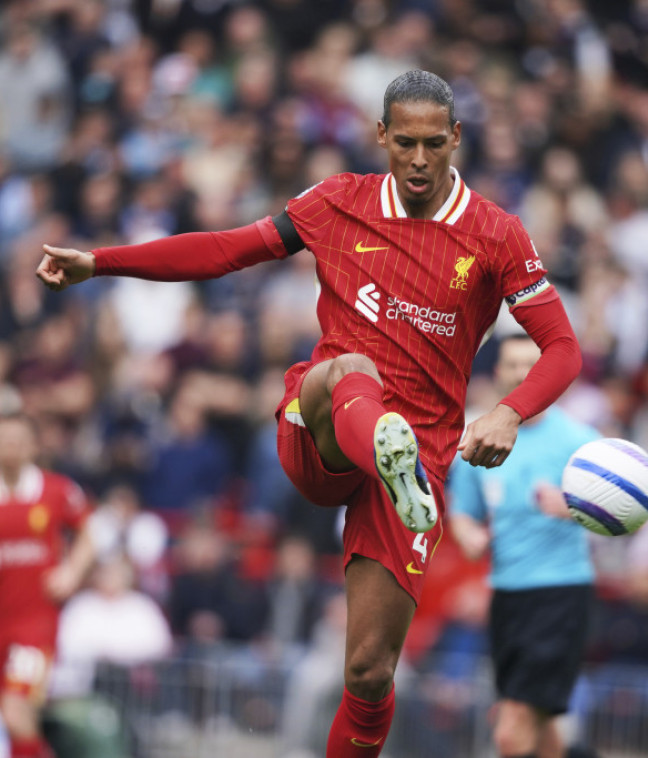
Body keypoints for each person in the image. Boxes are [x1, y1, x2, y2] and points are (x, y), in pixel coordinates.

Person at [36, 69, 582, 757]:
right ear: (381, 135)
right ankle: (383, 440)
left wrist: (509, 411)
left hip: (416, 468)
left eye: (433, 144)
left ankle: (395, 460)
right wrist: (101, 262)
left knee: (369, 673)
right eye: (405, 143)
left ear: (456, 137)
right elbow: (225, 250)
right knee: (354, 370)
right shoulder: (339, 201)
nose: (418, 159)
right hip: (323, 424)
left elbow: (563, 348)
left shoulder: (497, 234)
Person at [448, 333, 598, 758]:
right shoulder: (480, 438)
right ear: (498, 372)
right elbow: (462, 512)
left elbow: (626, 516)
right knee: (542, 727)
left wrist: (575, 505)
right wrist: (469, 535)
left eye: (530, 366)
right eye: (512, 364)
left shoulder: (578, 440)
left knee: (511, 731)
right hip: (507, 596)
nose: (520, 373)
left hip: (560, 594)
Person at [0, 413, 94, 758]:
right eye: (5, 440)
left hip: (34, 625)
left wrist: (72, 572)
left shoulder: (56, 490)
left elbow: (88, 533)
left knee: (16, 710)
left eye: (18, 440)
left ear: (32, 446)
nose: (11, 447)